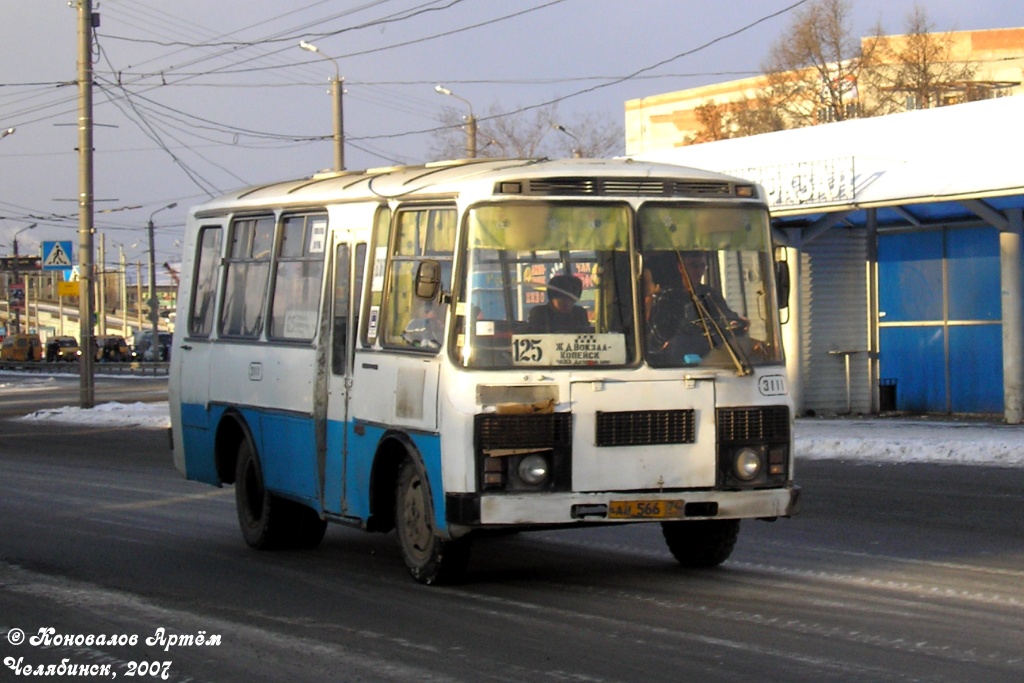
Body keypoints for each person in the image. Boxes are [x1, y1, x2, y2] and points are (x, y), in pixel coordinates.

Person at [645, 251, 749, 362]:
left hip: (712, 358)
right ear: (681, 268)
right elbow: (660, 336)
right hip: (676, 363)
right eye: (694, 266)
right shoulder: (667, 298)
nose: (699, 271)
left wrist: (735, 323)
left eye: (702, 266)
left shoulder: (711, 295)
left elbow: (726, 317)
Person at [527, 274, 592, 334]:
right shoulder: (540, 313)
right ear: (552, 299)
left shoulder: (579, 313)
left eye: (572, 300)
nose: (568, 304)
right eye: (563, 300)